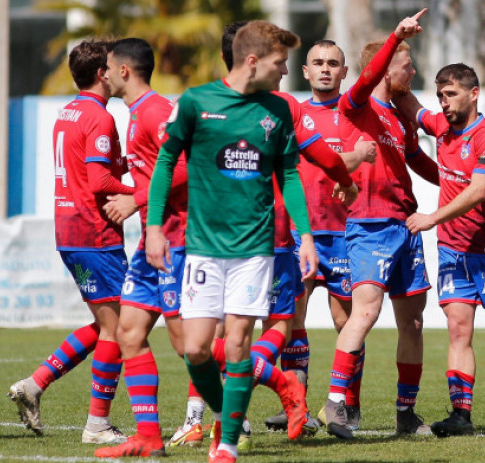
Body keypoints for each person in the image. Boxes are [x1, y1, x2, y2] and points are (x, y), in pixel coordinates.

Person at [146, 20, 317, 463]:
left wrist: (306, 236)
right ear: (254, 60)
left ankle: (226, 446)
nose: (285, 72)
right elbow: (166, 164)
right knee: (195, 349)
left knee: (239, 343)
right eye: (281, 63)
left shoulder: (278, 111)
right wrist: (153, 228)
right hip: (202, 247)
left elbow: (291, 175)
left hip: (254, 249)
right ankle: (226, 411)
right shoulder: (196, 102)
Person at [397, 63, 485, 436]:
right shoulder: (441, 127)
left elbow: (478, 191)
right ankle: (461, 415)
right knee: (458, 330)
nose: (444, 103)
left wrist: (432, 217)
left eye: (452, 94)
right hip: (453, 250)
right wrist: (393, 64)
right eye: (441, 95)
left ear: (474, 94)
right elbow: (409, 104)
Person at [317, 9, 438, 440]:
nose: (415, 70)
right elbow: (367, 78)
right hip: (369, 224)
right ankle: (336, 402)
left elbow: (418, 160)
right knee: (365, 312)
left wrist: (458, 183)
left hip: (407, 225)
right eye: (408, 65)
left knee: (414, 323)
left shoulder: (400, 119)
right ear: (387, 68)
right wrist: (396, 35)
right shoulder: (357, 104)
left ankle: (406, 413)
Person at [8, 40, 133, 444]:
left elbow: (89, 166)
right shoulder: (99, 117)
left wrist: (128, 164)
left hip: (71, 230)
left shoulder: (69, 111)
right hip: (94, 231)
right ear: (102, 73)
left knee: (106, 324)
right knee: (121, 327)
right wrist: (139, 190)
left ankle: (35, 384)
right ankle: (97, 424)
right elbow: (98, 182)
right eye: (114, 66)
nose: (119, 72)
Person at [266, 39, 379, 433]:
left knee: (345, 321)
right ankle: (294, 402)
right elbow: (326, 161)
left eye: (333, 63)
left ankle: (348, 404)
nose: (326, 69)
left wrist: (352, 159)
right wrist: (351, 158)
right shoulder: (293, 113)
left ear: (345, 72)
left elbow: (359, 159)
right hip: (301, 233)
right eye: (318, 63)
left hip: (347, 233)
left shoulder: (355, 113)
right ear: (305, 71)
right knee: (291, 314)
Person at [92, 36, 188, 459]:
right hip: (153, 238)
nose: (104, 74)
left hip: (179, 238)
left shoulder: (156, 111)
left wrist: (136, 198)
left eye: (108, 68)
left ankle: (280, 384)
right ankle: (149, 437)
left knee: (190, 347)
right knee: (129, 333)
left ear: (124, 71)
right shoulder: (135, 113)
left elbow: (186, 167)